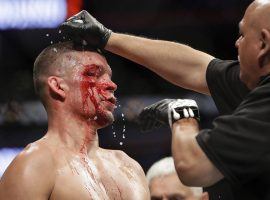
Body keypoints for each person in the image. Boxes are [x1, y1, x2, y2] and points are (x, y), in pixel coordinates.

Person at [59, 0, 270, 199]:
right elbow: (195, 68)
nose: (237, 43)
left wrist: (182, 115)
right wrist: (107, 38)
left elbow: (194, 165)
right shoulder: (257, 82)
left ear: (263, 43)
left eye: (242, 35)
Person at [0, 41, 150, 199]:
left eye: (109, 76)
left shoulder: (128, 166)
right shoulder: (36, 164)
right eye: (93, 74)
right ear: (58, 86)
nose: (112, 85)